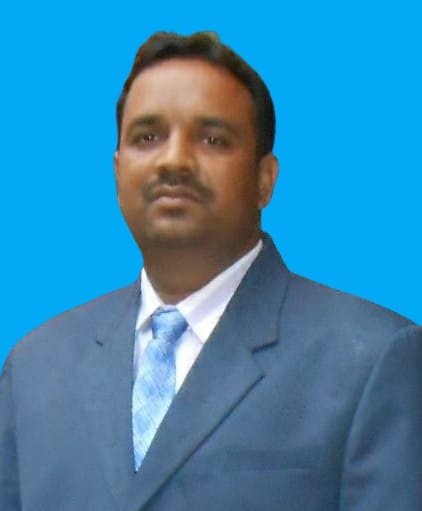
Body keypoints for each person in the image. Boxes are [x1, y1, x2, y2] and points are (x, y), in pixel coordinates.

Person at [0, 31, 421, 511]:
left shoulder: (373, 360)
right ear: (117, 172)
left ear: (264, 180)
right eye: (147, 137)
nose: (174, 160)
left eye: (213, 139)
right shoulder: (35, 368)